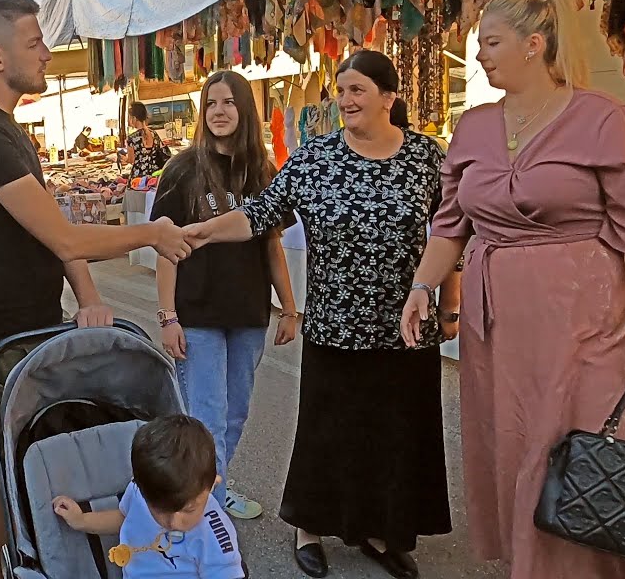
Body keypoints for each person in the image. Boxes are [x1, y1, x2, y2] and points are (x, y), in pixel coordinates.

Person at [401, 0, 625, 579]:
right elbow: (451, 222)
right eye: (480, 43)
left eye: (492, 42)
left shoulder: (603, 119)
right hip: (504, 331)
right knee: (528, 450)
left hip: (596, 322)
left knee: (602, 457)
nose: (480, 55)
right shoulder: (473, 127)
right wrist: (424, 287)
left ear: (535, 44)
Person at [0, 0, 192, 579]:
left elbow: (54, 238)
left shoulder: (4, 129)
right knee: (2, 475)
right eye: (35, 43)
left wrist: (91, 299)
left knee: (50, 462)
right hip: (1, 343)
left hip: (37, 330)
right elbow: (69, 237)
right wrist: (151, 232)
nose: (48, 54)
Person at [185, 51, 458, 579]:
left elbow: (450, 233)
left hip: (405, 328)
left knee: (394, 434)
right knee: (327, 433)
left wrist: (451, 306)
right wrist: (202, 231)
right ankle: (308, 526)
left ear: (388, 98)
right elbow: (261, 215)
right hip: (336, 325)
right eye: (341, 90)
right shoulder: (315, 159)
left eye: (358, 90)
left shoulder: (428, 157)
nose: (346, 100)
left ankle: (382, 529)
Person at [151, 71, 296, 521]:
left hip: (248, 314)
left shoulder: (263, 171)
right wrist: (167, 316)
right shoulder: (182, 171)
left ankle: (215, 487)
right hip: (197, 316)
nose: (219, 111)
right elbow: (165, 248)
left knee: (235, 416)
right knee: (206, 419)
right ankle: (207, 511)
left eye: (229, 102)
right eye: (211, 103)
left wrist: (289, 308)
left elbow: (271, 244)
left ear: (244, 110)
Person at [53, 416, 245, 579]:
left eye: (189, 509)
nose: (174, 522)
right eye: (160, 510)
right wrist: (82, 520)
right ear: (139, 486)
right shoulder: (141, 493)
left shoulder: (214, 533)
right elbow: (124, 517)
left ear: (213, 484)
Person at [125, 101, 170, 177]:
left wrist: (123, 158)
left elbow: (131, 160)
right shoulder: (154, 134)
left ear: (134, 118)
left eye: (129, 117)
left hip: (139, 179)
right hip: (154, 176)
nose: (129, 120)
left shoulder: (131, 138)